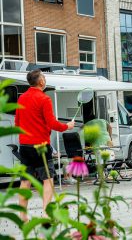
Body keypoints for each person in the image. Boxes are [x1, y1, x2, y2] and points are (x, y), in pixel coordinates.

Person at [15, 69, 75, 221]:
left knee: (25, 181)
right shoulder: (44, 99)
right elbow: (52, 123)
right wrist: (67, 126)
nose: (45, 79)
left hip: (25, 147)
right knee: (47, 180)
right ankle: (47, 213)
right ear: (40, 81)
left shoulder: (21, 99)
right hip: (41, 147)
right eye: (44, 76)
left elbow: (17, 123)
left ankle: (22, 215)